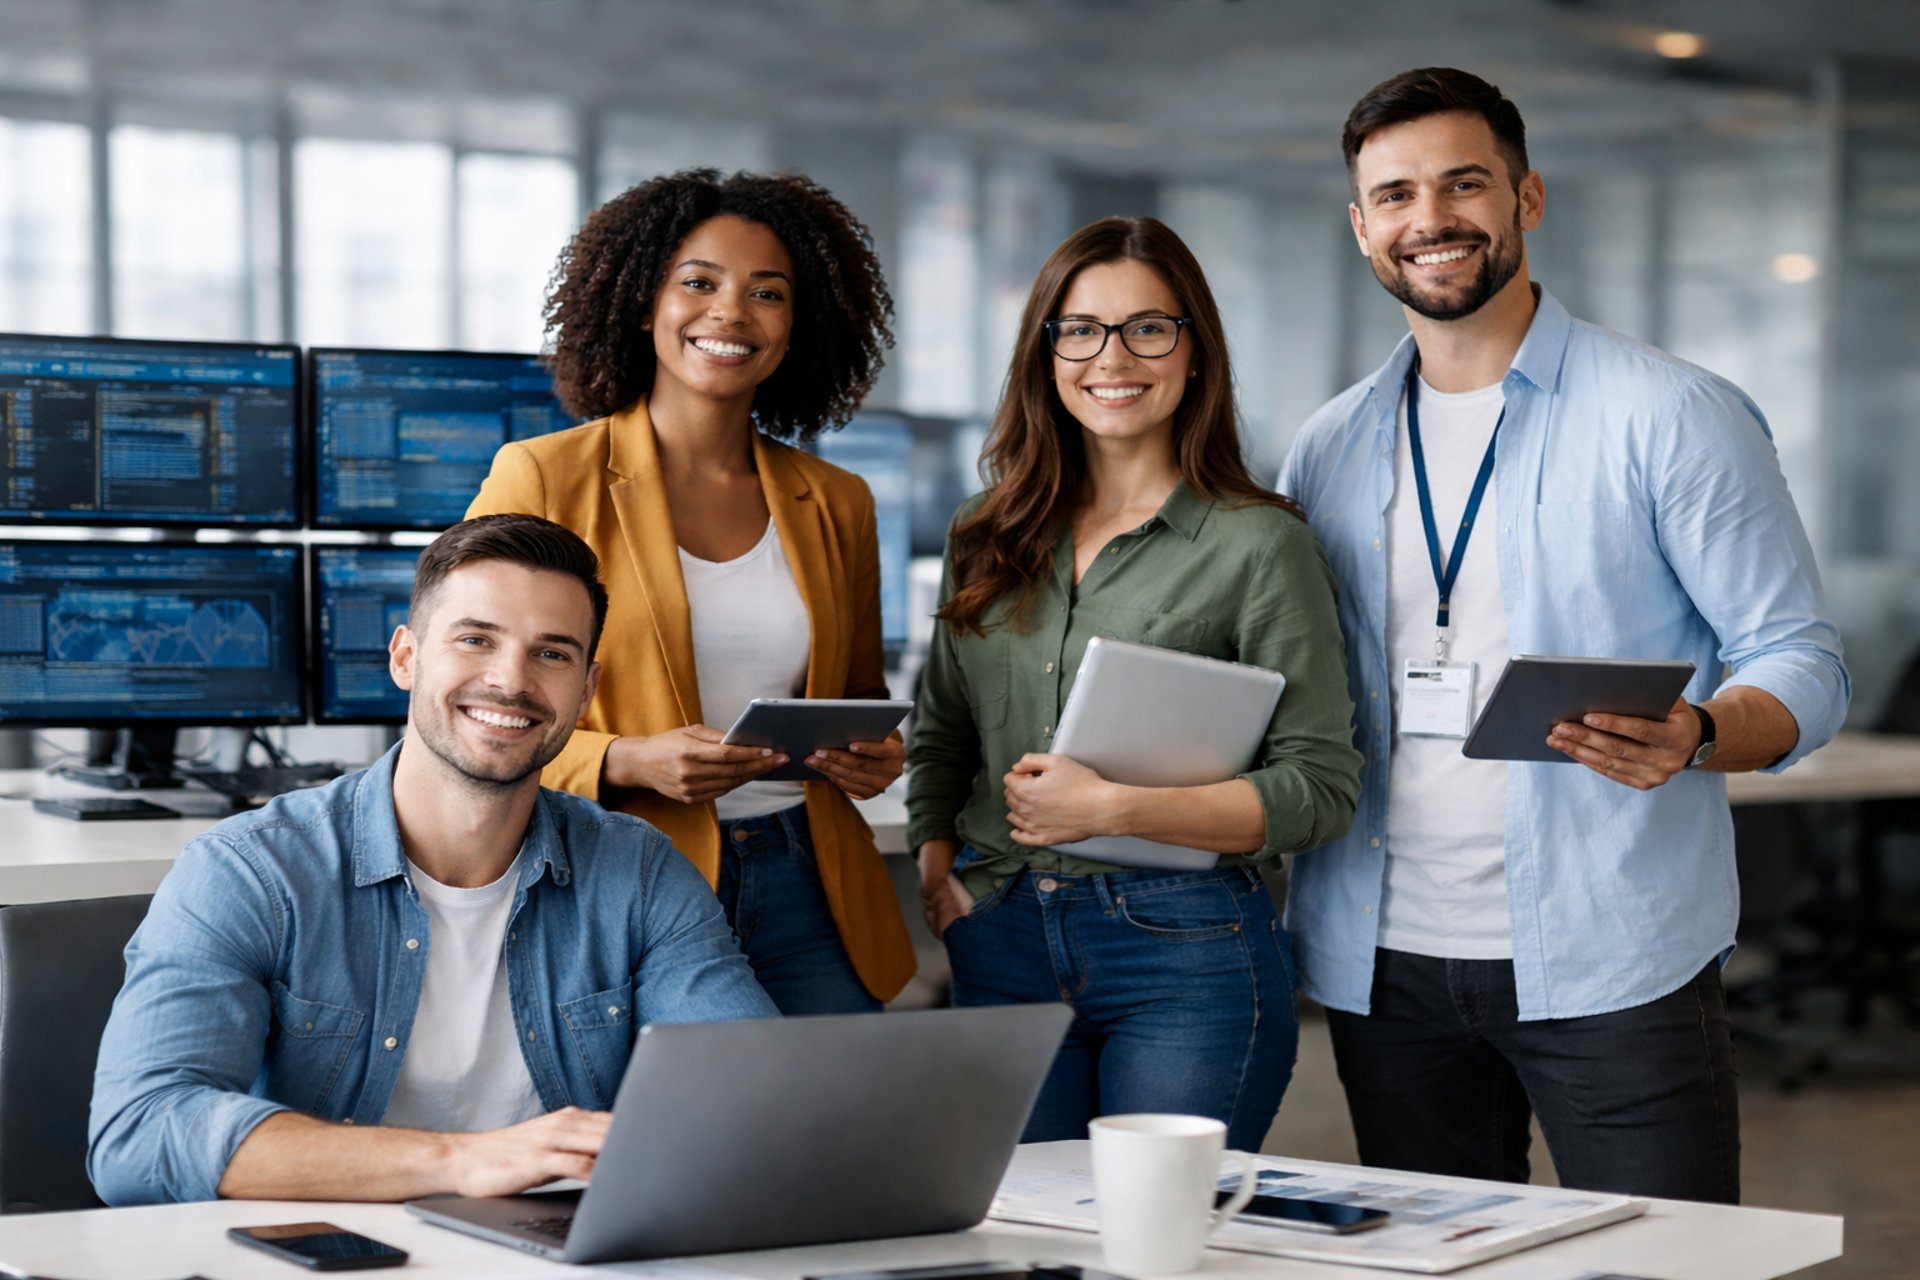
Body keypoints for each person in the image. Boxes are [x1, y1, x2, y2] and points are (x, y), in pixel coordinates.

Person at [1279, 67, 1850, 1203]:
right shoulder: (1327, 445)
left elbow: (1804, 658)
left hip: (1613, 955)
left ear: (1526, 198)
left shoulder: (1670, 413)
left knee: (1665, 1266)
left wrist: (1698, 732)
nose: (1430, 218)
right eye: (1395, 195)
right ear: (1361, 226)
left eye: (1463, 183)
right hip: (1382, 961)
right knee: (1438, 1268)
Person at [88, 515, 778, 1206]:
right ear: (405, 658)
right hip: (334, 1244)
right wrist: (460, 1161)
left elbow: (758, 1096)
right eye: (476, 639)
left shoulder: (640, 872)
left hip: (565, 1243)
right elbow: (139, 1138)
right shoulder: (250, 870)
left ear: (586, 690)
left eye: (552, 653)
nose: (511, 681)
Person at [908, 216, 1363, 1151]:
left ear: (1195, 352)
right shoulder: (985, 531)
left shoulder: (1261, 544)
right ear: (1045, 353)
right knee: (1022, 1220)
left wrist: (1114, 809)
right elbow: (944, 728)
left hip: (1184, 951)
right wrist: (936, 866)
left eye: (1149, 328)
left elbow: (1320, 789)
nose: (1112, 357)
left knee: (1155, 1223)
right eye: (1080, 330)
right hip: (1000, 936)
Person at [466, 169, 914, 1014]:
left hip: (809, 878)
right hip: (624, 868)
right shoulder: (544, 477)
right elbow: (464, 700)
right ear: (645, 304)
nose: (731, 312)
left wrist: (872, 755)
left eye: (767, 293)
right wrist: (627, 760)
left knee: (830, 1103)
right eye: (699, 283)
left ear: (796, 327)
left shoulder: (838, 500)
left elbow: (857, 695)